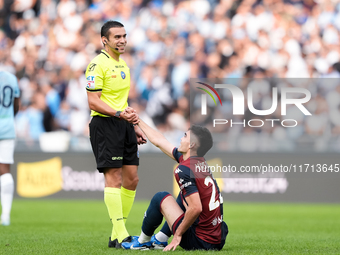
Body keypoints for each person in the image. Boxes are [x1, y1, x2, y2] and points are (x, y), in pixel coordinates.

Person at [122, 119, 228, 251]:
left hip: (200, 241)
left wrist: (177, 235)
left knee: (160, 197)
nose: (181, 139)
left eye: (185, 136)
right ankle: (161, 239)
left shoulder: (183, 169)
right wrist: (137, 120)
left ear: (191, 145)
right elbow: (160, 141)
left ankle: (143, 241)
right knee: (184, 195)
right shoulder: (199, 162)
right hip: (217, 239)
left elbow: (195, 208)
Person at [85, 20, 146, 248]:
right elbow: (93, 100)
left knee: (132, 179)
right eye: (117, 37)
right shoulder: (96, 65)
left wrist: (135, 125)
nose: (122, 40)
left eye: (124, 36)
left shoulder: (123, 66)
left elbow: (123, 101)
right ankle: (122, 236)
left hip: (124, 124)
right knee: (114, 179)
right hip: (105, 125)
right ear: (105, 40)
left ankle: (115, 235)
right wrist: (120, 114)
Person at [0, 71, 20, 226]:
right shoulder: (11, 78)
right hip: (7, 127)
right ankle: (5, 215)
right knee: (5, 170)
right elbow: (16, 105)